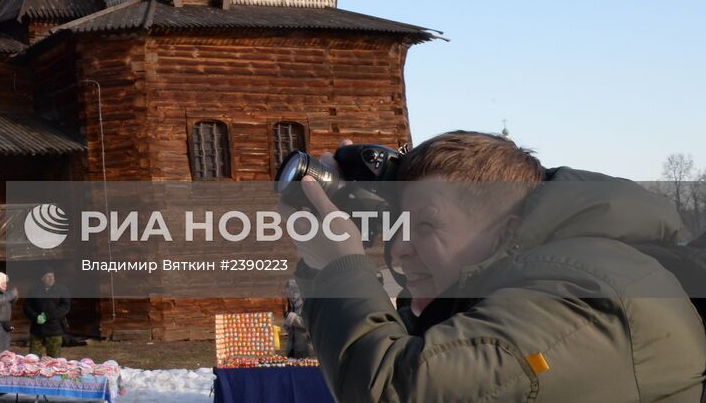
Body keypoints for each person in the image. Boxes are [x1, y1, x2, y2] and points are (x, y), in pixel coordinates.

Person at [289, 131, 706, 402]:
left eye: (426, 226)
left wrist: (340, 266)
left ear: (504, 231)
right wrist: (328, 252)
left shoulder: (586, 297)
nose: (399, 253)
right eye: (399, 227)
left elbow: (399, 389)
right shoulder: (520, 284)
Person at [22, 270, 70, 358]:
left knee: (54, 359)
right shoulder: (34, 290)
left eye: (52, 276)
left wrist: (47, 316)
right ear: (42, 278)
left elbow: (65, 307)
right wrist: (35, 317)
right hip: (37, 329)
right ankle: (33, 371)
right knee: (33, 358)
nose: (51, 278)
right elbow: (27, 306)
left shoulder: (62, 289)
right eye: (47, 276)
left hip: (54, 328)